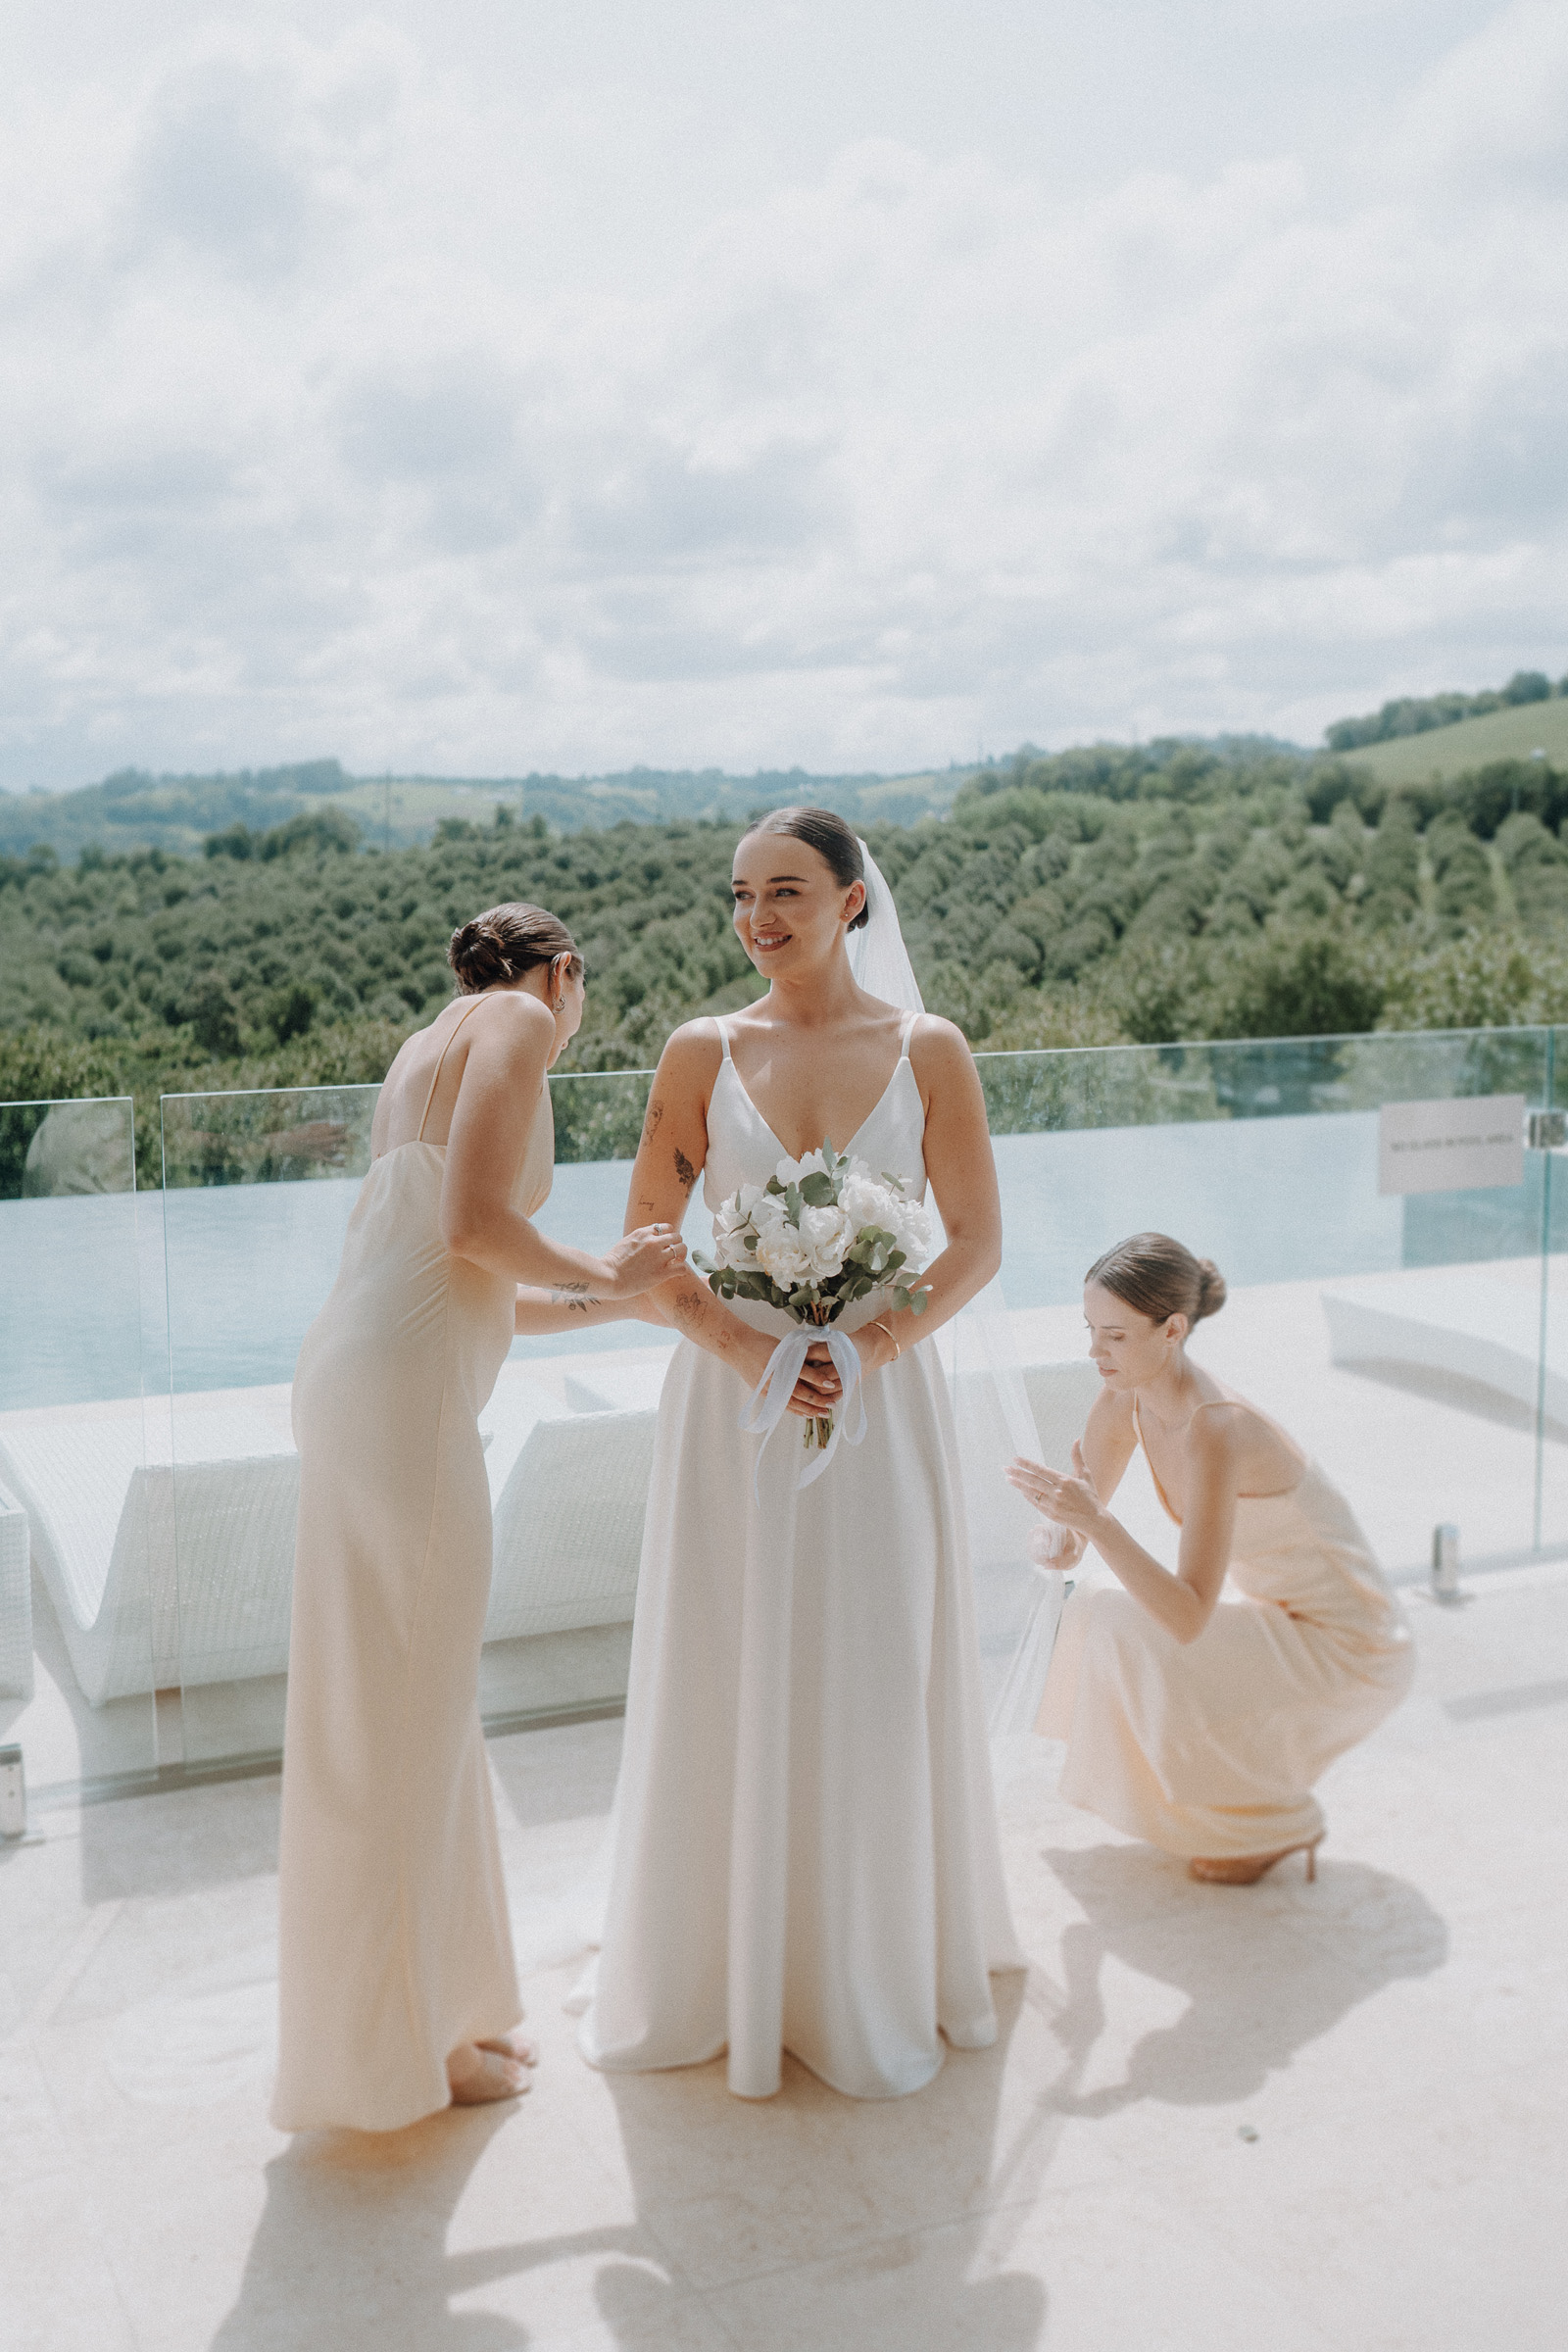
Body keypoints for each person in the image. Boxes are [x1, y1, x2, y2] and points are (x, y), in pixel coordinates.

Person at [579, 808, 1023, 2101]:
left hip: (882, 1406)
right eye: (738, 896)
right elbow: (646, 1244)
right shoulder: (696, 1050)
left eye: (784, 891)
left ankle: (870, 1958)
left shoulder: (928, 1050)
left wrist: (875, 1346)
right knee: (732, 1654)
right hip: (732, 1408)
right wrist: (742, 1350)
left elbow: (979, 1241)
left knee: (874, 1657)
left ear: (852, 903)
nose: (757, 917)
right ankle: (726, 1960)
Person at [271, 902, 686, 2133]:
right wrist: (611, 1267)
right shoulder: (514, 1022)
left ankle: (438, 2011)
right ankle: (394, 2054)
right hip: (401, 1408)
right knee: (402, 1723)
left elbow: (461, 1276)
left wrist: (619, 1308)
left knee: (403, 1716)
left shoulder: (428, 1042)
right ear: (565, 973)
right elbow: (474, 1232)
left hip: (359, 1374)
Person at [1008, 1232, 1414, 1885]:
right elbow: (1077, 1536)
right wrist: (1055, 1538)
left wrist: (1094, 1524)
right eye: (1090, 1329)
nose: (1094, 1350)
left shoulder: (1215, 1428)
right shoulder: (1122, 1398)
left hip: (1356, 1646)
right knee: (1098, 1610)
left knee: (1121, 1617)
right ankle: (1252, 1811)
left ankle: (1269, 1820)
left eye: (1114, 1335)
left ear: (1172, 1330)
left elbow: (1189, 1615)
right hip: (1280, 1617)